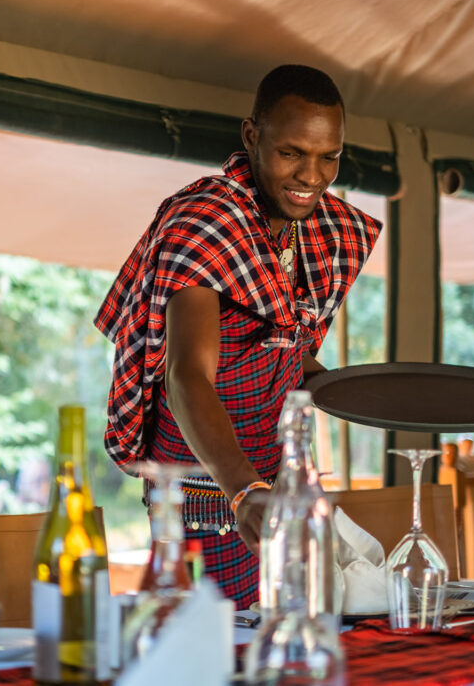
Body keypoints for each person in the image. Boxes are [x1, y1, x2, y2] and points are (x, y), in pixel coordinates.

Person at [94, 64, 381, 609]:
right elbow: (186, 377)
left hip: (276, 487)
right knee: (212, 651)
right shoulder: (205, 222)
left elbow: (283, 354)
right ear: (252, 136)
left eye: (330, 157)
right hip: (208, 492)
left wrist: (369, 390)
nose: (313, 176)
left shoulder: (319, 231)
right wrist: (245, 490)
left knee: (292, 643)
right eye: (292, 152)